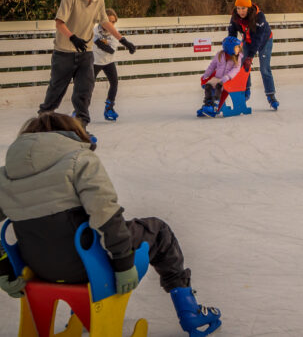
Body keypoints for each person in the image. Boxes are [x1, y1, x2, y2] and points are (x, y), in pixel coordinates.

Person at [0, 113, 222, 335]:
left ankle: (82, 314)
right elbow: (106, 215)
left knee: (67, 235)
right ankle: (190, 313)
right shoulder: (79, 159)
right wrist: (124, 264)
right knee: (159, 231)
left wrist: (4, 270)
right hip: (86, 268)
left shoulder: (5, 174)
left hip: (39, 269)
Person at [39, 0, 136, 133]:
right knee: (55, 92)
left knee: (84, 92)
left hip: (85, 54)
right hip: (64, 53)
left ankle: (81, 129)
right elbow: (59, 22)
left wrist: (122, 40)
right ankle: (41, 126)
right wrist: (73, 37)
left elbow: (104, 21)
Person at [227, 0, 278, 109]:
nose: (241, 11)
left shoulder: (259, 16)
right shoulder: (235, 17)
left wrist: (250, 56)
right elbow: (232, 34)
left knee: (264, 68)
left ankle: (271, 96)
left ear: (248, 7)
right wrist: (232, 48)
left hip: (264, 41)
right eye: (238, 8)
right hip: (248, 40)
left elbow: (258, 39)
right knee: (242, 64)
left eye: (243, 8)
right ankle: (246, 89)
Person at [197, 36, 244, 117]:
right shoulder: (220, 55)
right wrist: (206, 74)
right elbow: (212, 66)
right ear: (229, 48)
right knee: (208, 86)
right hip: (217, 77)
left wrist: (228, 76)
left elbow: (236, 69)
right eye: (237, 47)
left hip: (228, 80)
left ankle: (215, 106)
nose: (239, 49)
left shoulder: (238, 58)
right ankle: (208, 104)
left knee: (219, 86)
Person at [92, 9, 123, 121]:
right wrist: (96, 41)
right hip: (95, 62)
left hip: (108, 61)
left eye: (113, 22)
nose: (112, 24)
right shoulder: (95, 30)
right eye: (109, 21)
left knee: (114, 83)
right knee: (88, 85)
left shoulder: (115, 33)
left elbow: (110, 50)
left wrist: (96, 41)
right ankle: (80, 109)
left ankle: (109, 108)